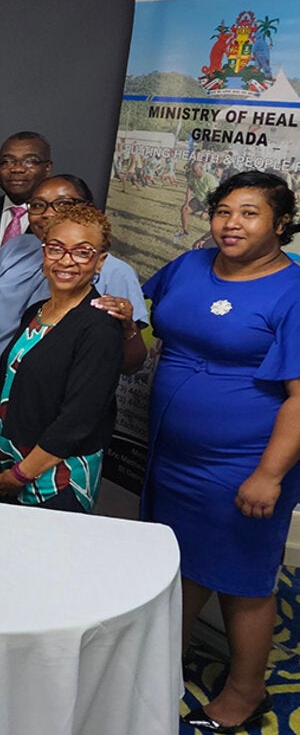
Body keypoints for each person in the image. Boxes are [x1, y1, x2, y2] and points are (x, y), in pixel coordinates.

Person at [142, 171, 300, 733]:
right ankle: (163, 662)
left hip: (244, 464)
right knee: (175, 564)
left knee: (242, 577)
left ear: (281, 224)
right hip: (172, 454)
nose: (231, 224)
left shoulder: (293, 290)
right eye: (223, 211)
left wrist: (269, 475)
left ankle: (245, 691)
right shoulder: (189, 265)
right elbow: (150, 323)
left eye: (250, 213)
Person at [0, 204, 123, 513]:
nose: (66, 260)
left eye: (82, 252)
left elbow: (78, 419)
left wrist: (20, 475)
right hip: (13, 462)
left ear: (100, 261)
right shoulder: (36, 311)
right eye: (56, 249)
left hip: (56, 482)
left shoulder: (99, 327)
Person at [0, 175, 147, 413]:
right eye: (38, 205)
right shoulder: (16, 247)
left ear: (87, 209)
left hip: (56, 395)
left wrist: (128, 329)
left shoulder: (115, 272)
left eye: (62, 204)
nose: (48, 214)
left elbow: (129, 364)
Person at [0, 131, 52, 256]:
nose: (17, 169)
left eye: (29, 161)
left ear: (47, 168)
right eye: (7, 161)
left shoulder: (60, 217)